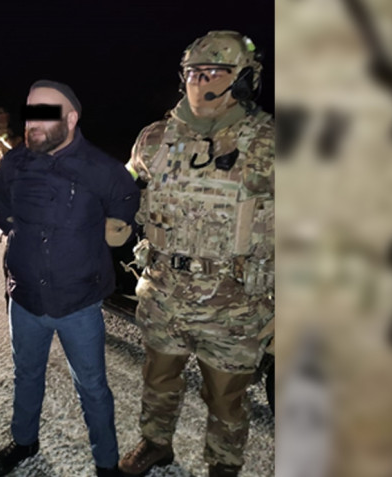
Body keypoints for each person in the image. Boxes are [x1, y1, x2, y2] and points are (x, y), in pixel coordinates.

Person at [118, 31, 274, 477]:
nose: (199, 81)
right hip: (164, 294)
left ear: (243, 80)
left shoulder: (268, 142)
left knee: (226, 398)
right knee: (157, 381)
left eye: (214, 72)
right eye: (192, 72)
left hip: (235, 305)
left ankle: (223, 465)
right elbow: (125, 189)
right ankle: (155, 443)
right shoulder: (154, 139)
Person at [0, 80, 140, 477]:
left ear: (71, 119)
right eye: (30, 113)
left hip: (79, 304)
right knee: (26, 374)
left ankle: (106, 463)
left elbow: (126, 197)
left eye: (46, 113)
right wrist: (15, 231)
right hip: (24, 299)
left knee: (92, 386)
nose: (33, 123)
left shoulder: (101, 168)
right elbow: (1, 201)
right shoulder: (14, 164)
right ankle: (24, 440)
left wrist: (115, 228)